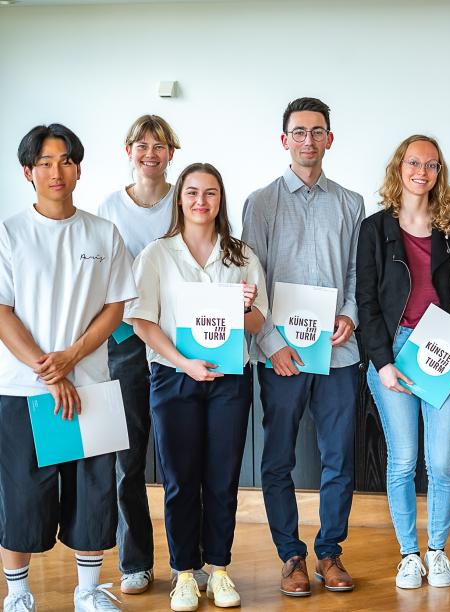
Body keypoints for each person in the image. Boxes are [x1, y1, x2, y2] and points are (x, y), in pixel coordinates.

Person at [0, 124, 137, 612]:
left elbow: (115, 307)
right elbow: (2, 311)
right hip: (24, 390)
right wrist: (49, 370)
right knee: (21, 497)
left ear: (78, 168)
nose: (56, 171)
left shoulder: (103, 232)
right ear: (28, 172)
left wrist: (71, 359)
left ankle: (87, 592)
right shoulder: (10, 233)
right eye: (44, 163)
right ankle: (17, 595)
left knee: (93, 496)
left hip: (92, 387)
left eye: (65, 160)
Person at [127, 162, 268, 611]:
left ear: (220, 200)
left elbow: (258, 321)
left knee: (223, 478)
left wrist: (244, 307)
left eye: (210, 193)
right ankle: (185, 573)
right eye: (192, 193)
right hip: (173, 377)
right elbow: (142, 322)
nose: (201, 202)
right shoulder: (157, 255)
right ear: (180, 199)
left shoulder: (242, 256)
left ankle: (220, 570)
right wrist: (183, 362)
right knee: (180, 479)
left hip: (229, 378)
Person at [242, 97, 364, 596]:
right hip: (283, 357)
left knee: (339, 459)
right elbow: (252, 278)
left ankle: (329, 553)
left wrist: (350, 316)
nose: (308, 140)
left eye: (317, 132)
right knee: (278, 459)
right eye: (299, 132)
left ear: (329, 139)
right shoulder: (261, 202)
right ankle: (291, 555)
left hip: (337, 355)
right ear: (284, 139)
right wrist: (271, 345)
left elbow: (359, 273)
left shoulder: (351, 203)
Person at [356, 135, 450, 589]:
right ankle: (409, 554)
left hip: (445, 350)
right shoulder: (374, 229)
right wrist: (383, 362)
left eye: (430, 165)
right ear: (399, 167)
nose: (421, 172)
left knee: (443, 462)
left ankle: (438, 551)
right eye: (413, 162)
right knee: (404, 460)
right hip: (395, 352)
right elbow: (366, 302)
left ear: (438, 173)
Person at [96, 114, 192, 596]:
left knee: (181, 460)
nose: (150, 152)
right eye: (141, 144)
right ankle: (135, 562)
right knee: (127, 459)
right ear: (128, 150)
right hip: (125, 345)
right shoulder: (109, 207)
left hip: (179, 341)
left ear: (171, 152)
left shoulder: (185, 199)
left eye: (159, 145)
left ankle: (186, 563)